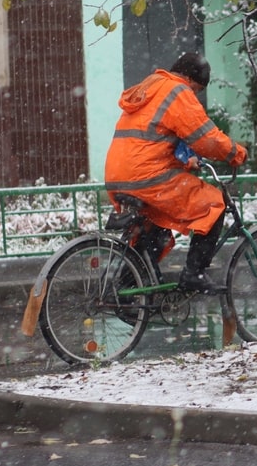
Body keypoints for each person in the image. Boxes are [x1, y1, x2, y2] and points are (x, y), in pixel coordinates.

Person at [104, 52, 248, 294]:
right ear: (192, 80)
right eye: (198, 91)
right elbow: (206, 138)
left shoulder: (149, 88)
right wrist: (236, 153)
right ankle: (194, 274)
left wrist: (182, 166)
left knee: (155, 229)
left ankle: (129, 290)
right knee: (215, 203)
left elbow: (148, 143)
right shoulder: (177, 91)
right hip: (146, 178)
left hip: (119, 175)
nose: (196, 97)